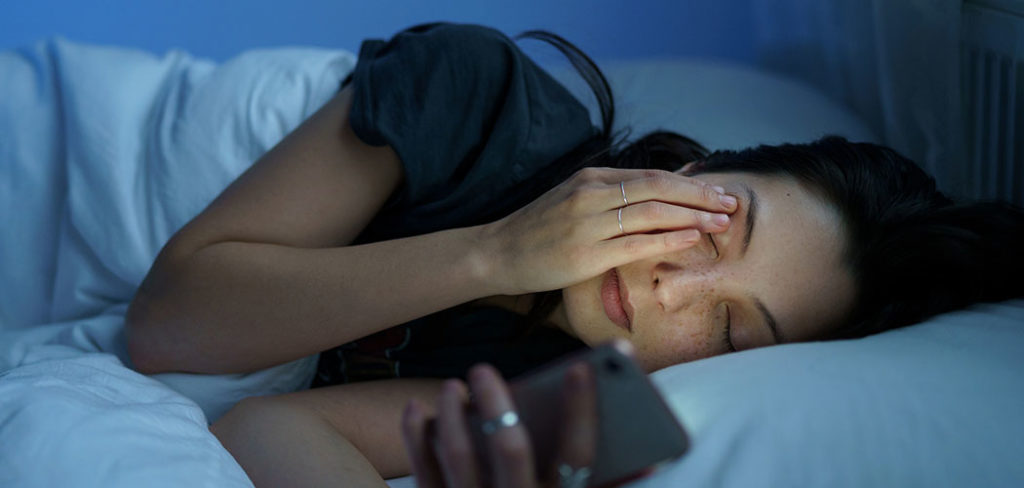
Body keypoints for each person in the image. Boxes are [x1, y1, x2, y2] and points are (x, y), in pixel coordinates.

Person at [124, 22, 1024, 487]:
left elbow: (263, 428)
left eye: (730, 333)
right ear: (692, 170)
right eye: (718, 228)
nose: (677, 286)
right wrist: (495, 254)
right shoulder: (476, 96)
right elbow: (168, 324)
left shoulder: (579, 396)